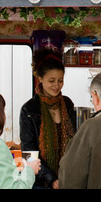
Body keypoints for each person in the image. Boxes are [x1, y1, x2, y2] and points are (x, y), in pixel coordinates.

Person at [20, 49, 76, 189]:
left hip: (67, 177)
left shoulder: (67, 104)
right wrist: (51, 179)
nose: (56, 85)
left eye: (60, 80)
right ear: (40, 78)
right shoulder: (29, 109)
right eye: (51, 81)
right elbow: (28, 152)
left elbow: (76, 142)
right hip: (40, 182)